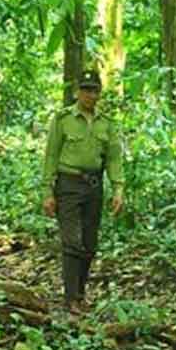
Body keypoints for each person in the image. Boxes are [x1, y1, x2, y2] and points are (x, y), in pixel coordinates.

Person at [42, 70, 124, 312]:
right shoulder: (63, 119)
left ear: (99, 93)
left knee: (89, 243)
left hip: (94, 185)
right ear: (77, 92)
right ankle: (70, 298)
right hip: (68, 184)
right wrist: (47, 191)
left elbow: (114, 158)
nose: (90, 95)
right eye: (86, 89)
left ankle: (80, 293)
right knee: (71, 241)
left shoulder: (106, 123)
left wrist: (118, 188)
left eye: (94, 90)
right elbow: (51, 155)